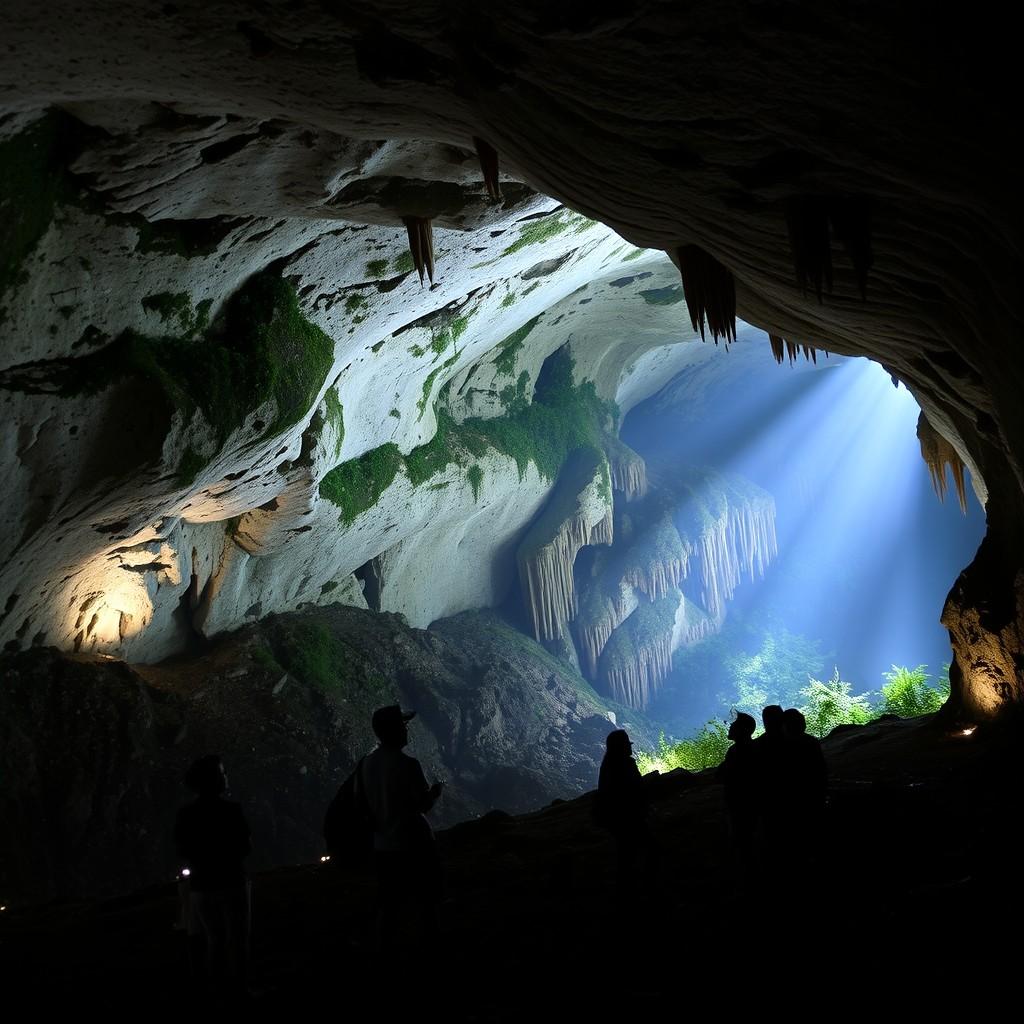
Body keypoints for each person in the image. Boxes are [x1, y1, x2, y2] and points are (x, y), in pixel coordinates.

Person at [360, 705, 444, 950]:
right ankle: (429, 948)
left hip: (382, 846)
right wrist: (436, 793)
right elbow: (422, 804)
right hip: (412, 843)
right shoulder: (408, 764)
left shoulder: (367, 764)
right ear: (394, 730)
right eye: (403, 725)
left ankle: (384, 952)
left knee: (389, 903)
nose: (407, 730)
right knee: (426, 898)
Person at [173, 754, 251, 988]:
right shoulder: (231, 811)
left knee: (212, 940)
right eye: (222, 773)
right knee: (237, 938)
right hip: (232, 881)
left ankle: (214, 990)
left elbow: (182, 849)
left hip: (201, 886)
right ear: (214, 780)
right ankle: (239, 989)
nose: (226, 777)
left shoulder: (185, 814)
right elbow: (246, 846)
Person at [595, 729, 656, 895]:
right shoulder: (626, 764)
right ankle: (644, 887)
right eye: (628, 745)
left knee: (625, 853)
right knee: (646, 848)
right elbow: (637, 788)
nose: (631, 748)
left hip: (616, 818)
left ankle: (625, 889)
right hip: (630, 816)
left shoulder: (607, 764)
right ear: (622, 747)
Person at [716, 712, 759, 894]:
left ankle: (745, 884)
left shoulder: (737, 751)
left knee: (742, 843)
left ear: (743, 730)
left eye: (734, 724)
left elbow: (721, 775)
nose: (730, 726)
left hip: (739, 805)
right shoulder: (752, 748)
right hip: (747, 804)